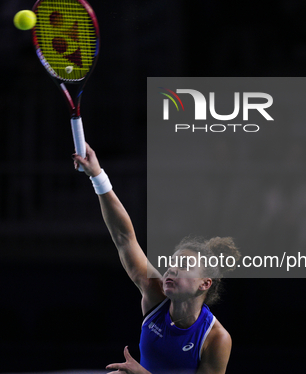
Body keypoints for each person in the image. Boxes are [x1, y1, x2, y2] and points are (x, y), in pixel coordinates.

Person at [72, 143, 240, 374]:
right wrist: (98, 176)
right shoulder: (155, 293)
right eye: (171, 264)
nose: (172, 270)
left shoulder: (216, 338)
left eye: (184, 266)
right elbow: (124, 238)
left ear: (205, 283)